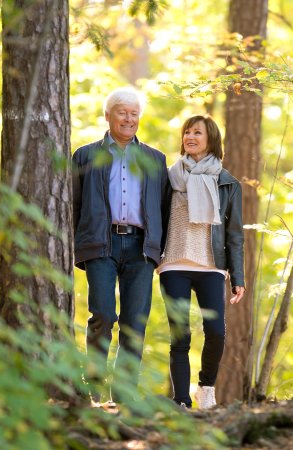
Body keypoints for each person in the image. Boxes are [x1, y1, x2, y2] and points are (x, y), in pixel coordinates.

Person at [72, 87, 170, 403]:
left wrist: (161, 250)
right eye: (122, 112)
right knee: (102, 313)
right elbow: (72, 204)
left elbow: (165, 209)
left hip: (142, 248)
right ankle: (94, 388)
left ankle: (124, 396)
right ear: (108, 116)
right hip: (101, 243)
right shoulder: (86, 155)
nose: (128, 119)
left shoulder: (156, 159)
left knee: (134, 324)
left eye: (133, 113)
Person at [158, 114, 245, 410]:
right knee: (179, 334)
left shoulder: (226, 182)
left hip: (211, 265)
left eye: (197, 132)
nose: (190, 137)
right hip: (173, 263)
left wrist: (238, 277)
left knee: (216, 332)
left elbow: (234, 234)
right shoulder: (168, 176)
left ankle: (206, 388)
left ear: (211, 140)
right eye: (187, 132)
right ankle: (181, 399)